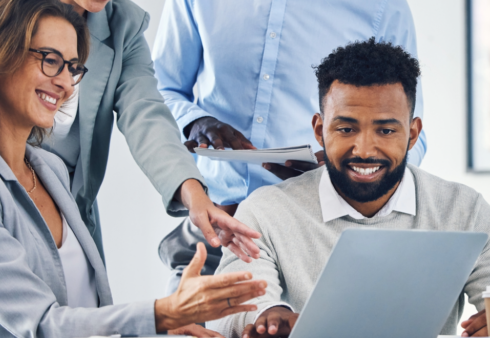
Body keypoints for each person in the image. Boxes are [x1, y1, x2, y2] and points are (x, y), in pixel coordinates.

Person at [0, 0, 263, 326]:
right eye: (49, 61)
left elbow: (146, 113)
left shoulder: (53, 173)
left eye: (73, 68)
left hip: (57, 203)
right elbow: (42, 324)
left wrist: (195, 198)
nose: (64, 84)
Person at [207, 39, 490, 338]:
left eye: (386, 130)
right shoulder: (268, 210)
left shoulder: (463, 208)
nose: (364, 149)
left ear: (412, 133)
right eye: (346, 129)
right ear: (319, 130)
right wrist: (270, 315)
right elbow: (227, 312)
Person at [152, 0, 429, 294]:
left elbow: (410, 136)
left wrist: (344, 171)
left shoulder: (383, 7)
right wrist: (195, 121)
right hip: (215, 231)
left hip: (313, 244)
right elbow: (159, 87)